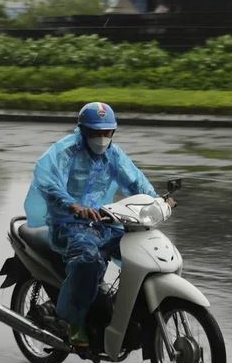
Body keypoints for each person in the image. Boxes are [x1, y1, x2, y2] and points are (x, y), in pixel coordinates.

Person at [23, 102, 175, 347]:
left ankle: (120, 309)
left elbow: (135, 180)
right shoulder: (66, 152)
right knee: (89, 259)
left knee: (140, 250)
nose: (102, 138)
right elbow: (48, 181)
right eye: (96, 132)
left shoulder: (113, 154)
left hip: (102, 220)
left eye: (107, 132)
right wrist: (73, 205)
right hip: (68, 224)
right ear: (83, 130)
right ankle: (72, 322)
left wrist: (158, 200)